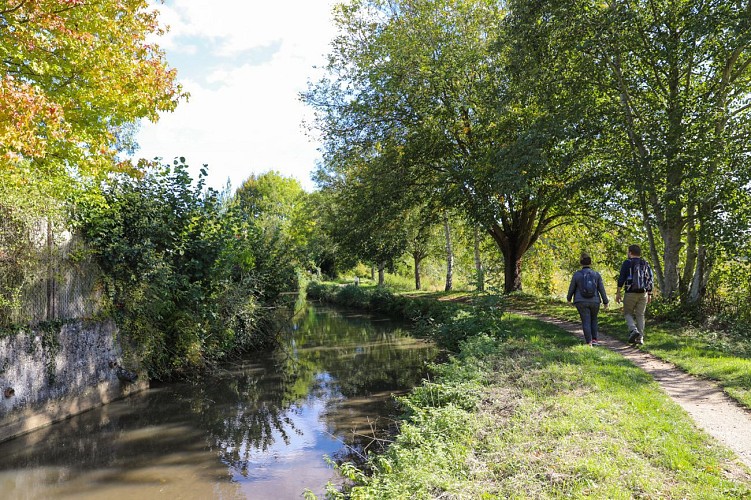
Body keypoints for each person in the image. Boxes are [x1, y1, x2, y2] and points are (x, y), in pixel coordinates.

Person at [615, 244, 654, 345]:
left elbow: (621, 278)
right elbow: (650, 278)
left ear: (630, 253)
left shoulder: (627, 263)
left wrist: (618, 293)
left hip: (630, 292)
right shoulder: (645, 263)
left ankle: (633, 329)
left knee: (628, 313)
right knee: (640, 315)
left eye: (628, 252)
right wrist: (649, 294)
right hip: (643, 293)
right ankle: (640, 338)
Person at [567, 253, 609, 346]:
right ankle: (595, 340)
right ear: (590, 263)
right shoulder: (596, 274)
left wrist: (569, 299)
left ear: (581, 263)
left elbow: (572, 288)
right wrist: (605, 301)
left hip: (580, 301)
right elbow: (601, 289)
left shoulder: (577, 275)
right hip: (595, 301)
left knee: (585, 321)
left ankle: (588, 342)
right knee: (594, 319)